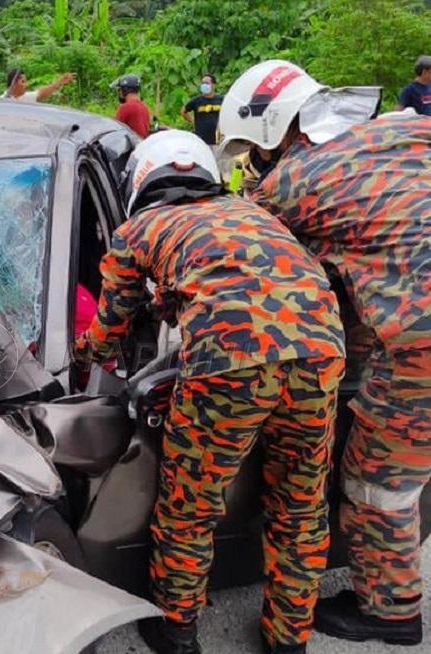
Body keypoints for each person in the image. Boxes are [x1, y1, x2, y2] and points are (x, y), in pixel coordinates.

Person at [75, 130, 346, 654]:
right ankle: (288, 639)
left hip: (229, 361)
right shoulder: (255, 213)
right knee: (300, 504)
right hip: (320, 352)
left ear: (142, 180)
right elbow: (251, 279)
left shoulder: (139, 229)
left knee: (191, 503)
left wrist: (84, 351)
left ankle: (177, 630)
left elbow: (112, 326)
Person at [219, 59, 431, 647]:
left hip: (421, 345)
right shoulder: (407, 128)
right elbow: (377, 246)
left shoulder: (288, 184)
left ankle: (391, 613)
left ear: (276, 134)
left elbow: (250, 260)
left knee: (377, 480)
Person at [181, 73, 224, 145]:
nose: (204, 85)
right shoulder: (196, 101)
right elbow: (183, 111)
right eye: (203, 83)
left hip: (218, 140)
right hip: (201, 140)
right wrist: (192, 121)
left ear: (213, 85)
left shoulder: (221, 100)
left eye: (207, 83)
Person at [2, 68, 75, 103]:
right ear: (13, 83)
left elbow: (41, 93)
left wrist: (60, 82)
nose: (26, 85)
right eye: (23, 82)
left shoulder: (24, 98)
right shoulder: (0, 102)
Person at [114, 74, 151, 139]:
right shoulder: (144, 107)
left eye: (120, 90)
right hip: (143, 145)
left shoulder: (126, 107)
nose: (119, 93)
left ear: (125, 90)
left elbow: (115, 130)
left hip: (133, 146)